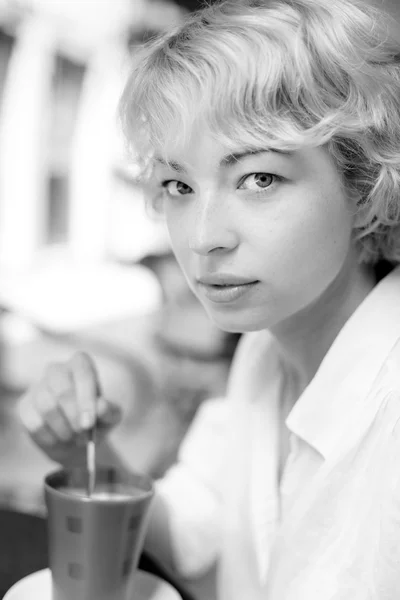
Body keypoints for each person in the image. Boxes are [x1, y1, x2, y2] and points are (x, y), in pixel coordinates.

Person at [18, 0, 400, 597]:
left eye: (259, 179)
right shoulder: (265, 350)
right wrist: (85, 447)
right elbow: (194, 535)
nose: (202, 239)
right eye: (178, 185)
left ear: (367, 191)